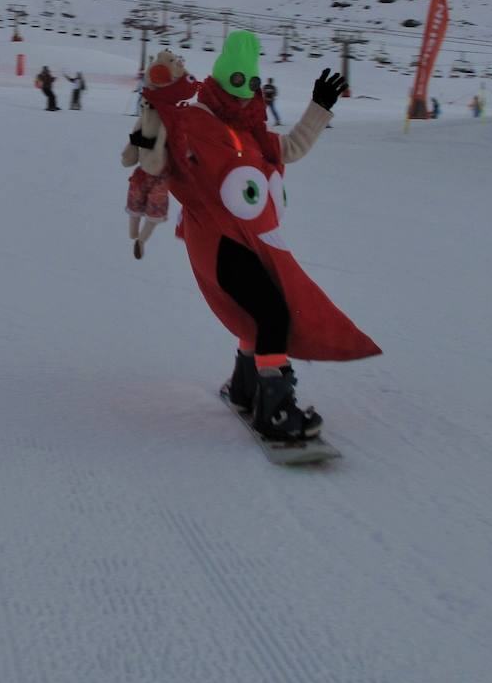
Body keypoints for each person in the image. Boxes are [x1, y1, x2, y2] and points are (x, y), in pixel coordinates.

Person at [143, 30, 380, 442]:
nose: (241, 98)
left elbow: (287, 148)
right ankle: (273, 409)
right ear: (218, 82)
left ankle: (244, 387)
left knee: (260, 307)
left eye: (249, 88)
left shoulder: (250, 128)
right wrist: (152, 116)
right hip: (216, 240)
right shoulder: (194, 122)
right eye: (234, 87)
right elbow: (157, 159)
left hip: (245, 238)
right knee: (272, 312)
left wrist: (319, 107)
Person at [121, 52, 183, 259]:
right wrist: (132, 146)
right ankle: (139, 238)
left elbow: (157, 131)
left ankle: (137, 237)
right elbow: (141, 128)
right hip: (154, 165)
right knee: (151, 206)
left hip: (153, 163)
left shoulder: (168, 108)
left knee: (138, 197)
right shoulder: (151, 105)